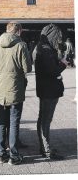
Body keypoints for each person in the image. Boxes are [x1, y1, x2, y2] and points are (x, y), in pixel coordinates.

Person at [0, 21, 32, 165]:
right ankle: (14, 156)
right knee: (14, 122)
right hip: (16, 89)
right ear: (19, 31)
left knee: (2, 121)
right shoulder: (21, 45)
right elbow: (28, 68)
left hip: (2, 89)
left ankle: (1, 154)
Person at [32, 24, 67, 160]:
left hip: (45, 89)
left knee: (43, 119)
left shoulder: (41, 47)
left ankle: (45, 147)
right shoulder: (45, 49)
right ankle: (46, 150)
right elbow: (53, 70)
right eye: (57, 37)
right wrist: (63, 64)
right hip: (49, 90)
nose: (58, 40)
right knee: (45, 120)